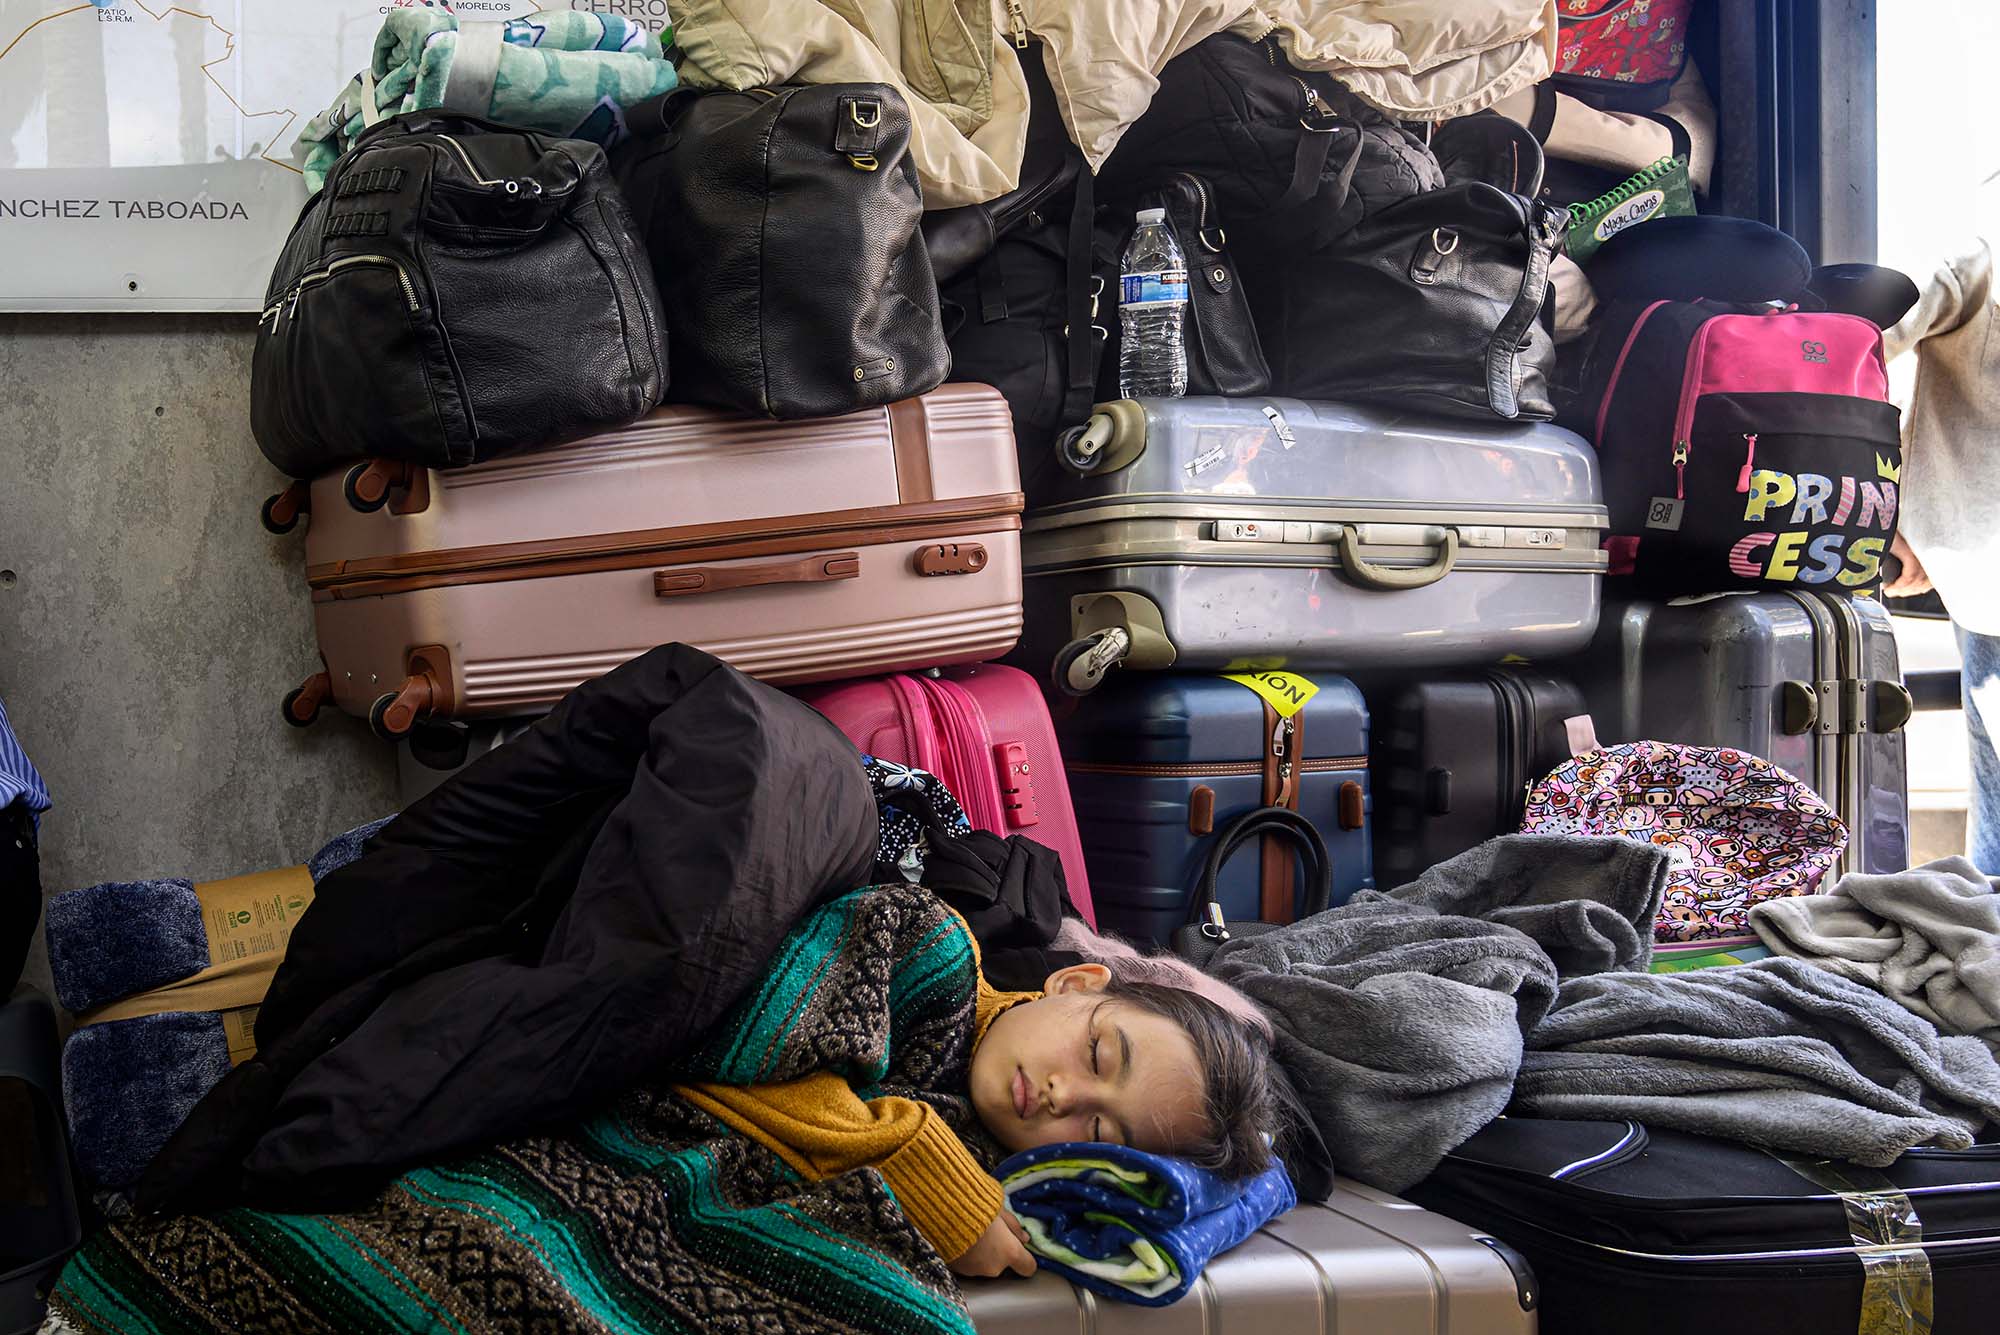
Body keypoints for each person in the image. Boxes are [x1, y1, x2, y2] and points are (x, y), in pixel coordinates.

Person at [682, 890, 1281, 1280]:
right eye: (1097, 1054)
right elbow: (731, 1041)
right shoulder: (923, 946)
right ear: (1075, 984)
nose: (1064, 1096)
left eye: (1098, 1128)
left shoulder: (1000, 1168)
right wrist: (911, 1165)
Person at [1881, 225, 2000, 872]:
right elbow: (1854, 344)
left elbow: (1849, 346)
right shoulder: (1973, 265)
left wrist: (1894, 499)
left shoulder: (1976, 262)